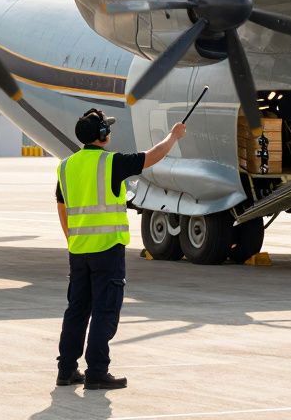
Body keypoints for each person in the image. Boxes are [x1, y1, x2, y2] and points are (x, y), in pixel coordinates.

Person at [55, 109, 186, 390]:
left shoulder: (66, 166)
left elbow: (61, 206)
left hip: (78, 250)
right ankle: (97, 372)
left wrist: (72, 239)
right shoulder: (111, 163)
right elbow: (152, 157)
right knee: (105, 310)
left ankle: (66, 370)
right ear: (102, 134)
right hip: (107, 249)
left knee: (76, 310)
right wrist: (173, 136)